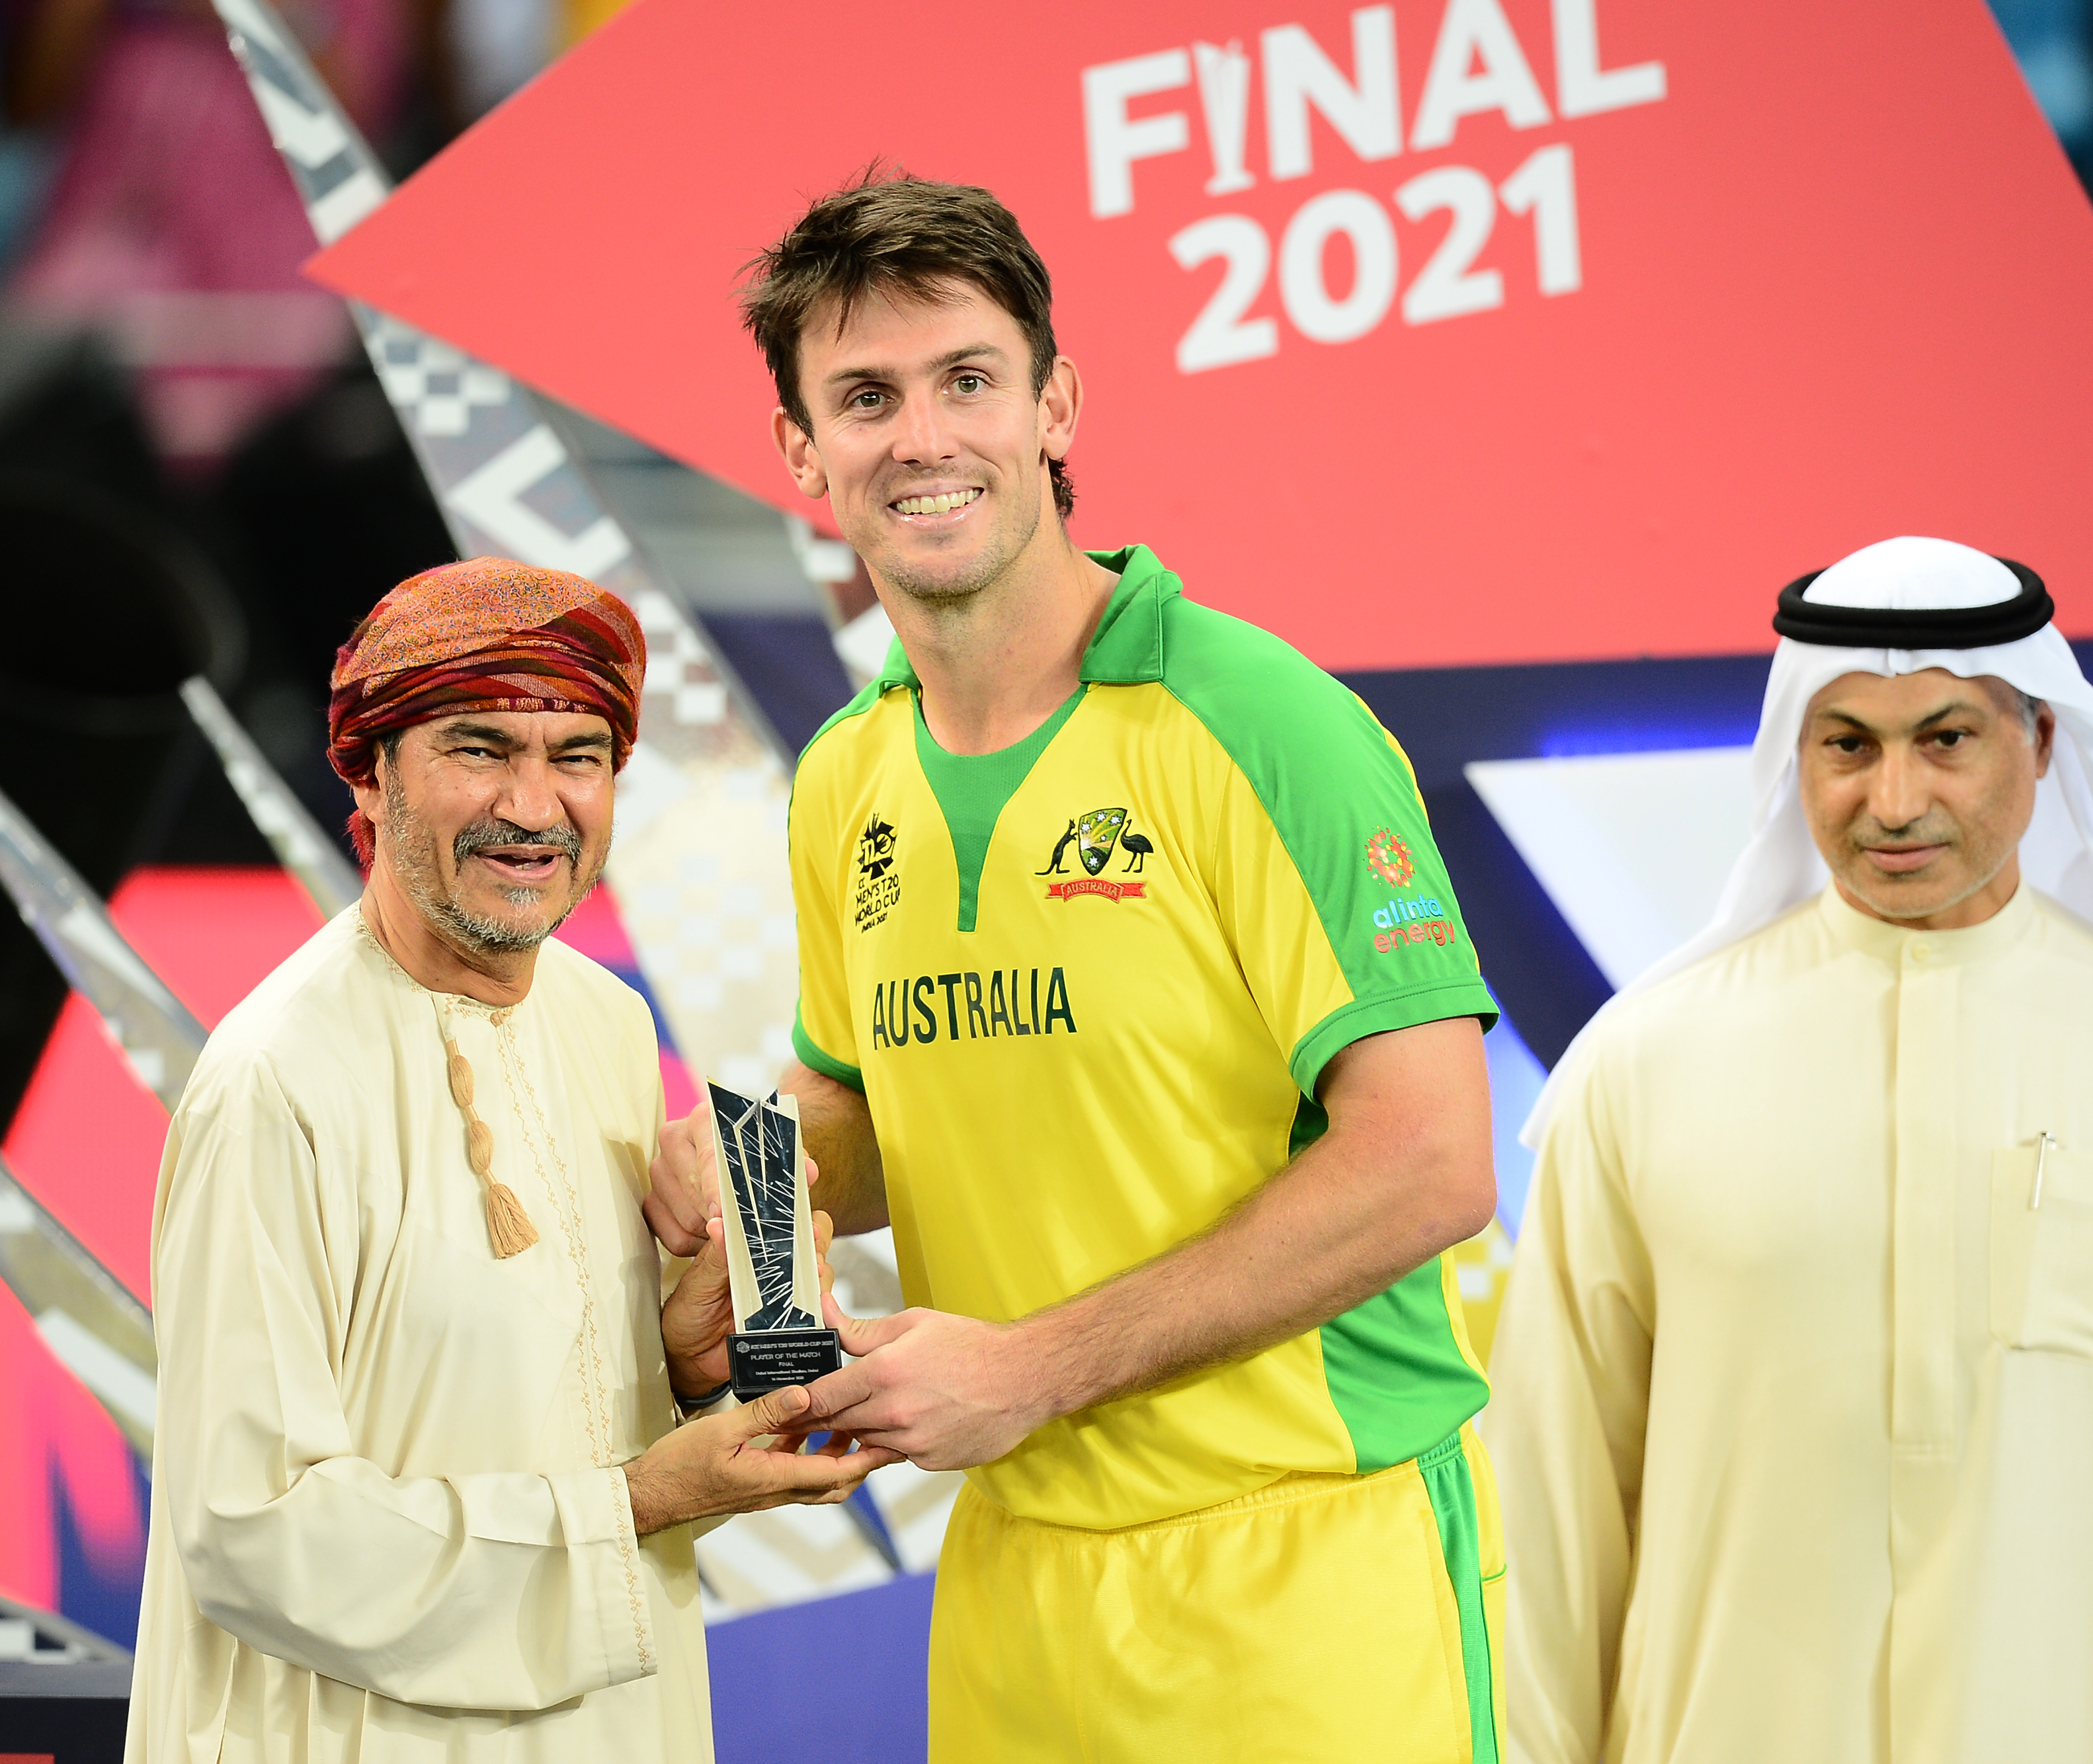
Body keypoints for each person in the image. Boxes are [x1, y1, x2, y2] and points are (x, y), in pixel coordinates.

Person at [642, 172, 1507, 1761]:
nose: (923, 436)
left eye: (968, 378)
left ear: (1056, 402)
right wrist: (747, 1198)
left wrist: (1033, 1367)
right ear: (797, 449)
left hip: (1304, 1563)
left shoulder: (1263, 722)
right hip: (1015, 1579)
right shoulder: (847, 773)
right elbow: (868, 1105)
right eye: (865, 397)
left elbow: (1437, 1155)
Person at [1487, 535, 2093, 1763]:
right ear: (1799, 754)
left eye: (1947, 738)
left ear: (2042, 744)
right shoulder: (1639, 1070)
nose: (1893, 802)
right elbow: (1550, 1515)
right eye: (1849, 744)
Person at [128, 557, 893, 1763]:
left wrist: (694, 1367)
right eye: (479, 748)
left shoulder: (607, 1023)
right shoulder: (276, 1081)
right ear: (372, 773)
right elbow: (248, 1531)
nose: (535, 808)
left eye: (578, 755)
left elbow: (570, 1401)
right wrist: (645, 1501)